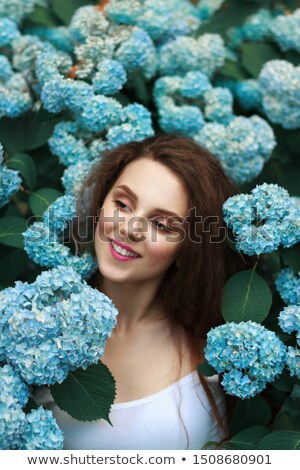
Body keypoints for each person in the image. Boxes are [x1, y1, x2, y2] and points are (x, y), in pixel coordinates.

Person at [35, 133, 252, 450]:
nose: (129, 228)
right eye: (122, 204)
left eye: (162, 225)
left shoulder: (219, 351)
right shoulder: (34, 328)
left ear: (187, 248)